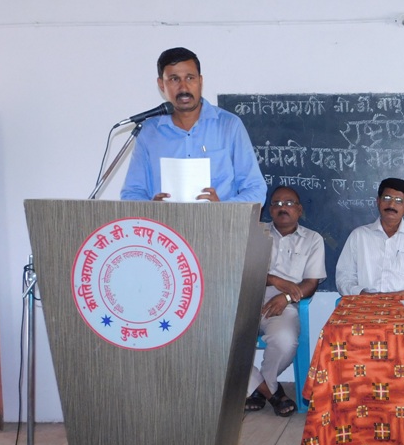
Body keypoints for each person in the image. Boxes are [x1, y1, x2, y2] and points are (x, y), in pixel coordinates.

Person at [120, 47, 266, 204]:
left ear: (200, 81)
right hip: (164, 221)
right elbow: (131, 194)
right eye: (174, 79)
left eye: (190, 78)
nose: (184, 87)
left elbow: (256, 190)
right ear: (161, 84)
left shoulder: (229, 126)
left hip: (219, 220)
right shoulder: (148, 132)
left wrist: (221, 209)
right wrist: (152, 208)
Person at [245, 186, 326, 417]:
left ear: (299, 209)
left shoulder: (313, 239)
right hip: (246, 297)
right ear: (269, 209)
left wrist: (287, 296)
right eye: (277, 203)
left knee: (285, 341)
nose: (283, 208)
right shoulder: (254, 233)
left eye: (289, 203)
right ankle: (272, 393)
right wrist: (273, 279)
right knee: (219, 341)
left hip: (284, 304)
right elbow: (239, 269)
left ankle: (258, 388)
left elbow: (311, 283)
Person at [335, 178, 404, 296]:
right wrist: (363, 295)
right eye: (387, 198)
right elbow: (344, 278)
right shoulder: (358, 236)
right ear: (378, 201)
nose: (391, 205)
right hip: (366, 304)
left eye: (399, 200)